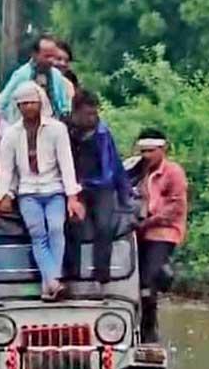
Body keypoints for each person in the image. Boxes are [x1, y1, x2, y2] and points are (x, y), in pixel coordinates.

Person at [0, 81, 85, 301]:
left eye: (32, 102)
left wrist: (72, 197)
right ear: (18, 107)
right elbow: (6, 171)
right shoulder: (11, 134)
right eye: (23, 104)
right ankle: (53, 282)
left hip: (54, 190)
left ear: (40, 103)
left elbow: (66, 165)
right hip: (28, 192)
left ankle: (49, 283)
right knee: (38, 233)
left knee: (56, 230)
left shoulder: (57, 129)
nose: (28, 107)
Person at [66, 90, 132, 291]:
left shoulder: (103, 133)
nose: (92, 118)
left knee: (105, 226)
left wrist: (125, 195)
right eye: (88, 114)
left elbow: (115, 165)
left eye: (95, 113)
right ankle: (72, 275)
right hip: (76, 187)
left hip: (102, 186)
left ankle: (101, 277)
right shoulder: (64, 131)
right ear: (75, 112)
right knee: (73, 224)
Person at [135, 128, 188, 343]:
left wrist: (149, 220)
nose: (146, 156)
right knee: (134, 282)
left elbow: (176, 206)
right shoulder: (137, 171)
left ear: (163, 149)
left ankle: (149, 334)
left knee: (148, 280)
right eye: (143, 151)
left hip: (163, 231)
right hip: (138, 233)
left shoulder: (173, 172)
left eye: (150, 151)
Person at [0, 34, 73, 121]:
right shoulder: (22, 75)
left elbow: (64, 107)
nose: (51, 60)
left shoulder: (57, 76)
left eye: (53, 56)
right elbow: (2, 102)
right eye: (47, 56)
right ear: (34, 55)